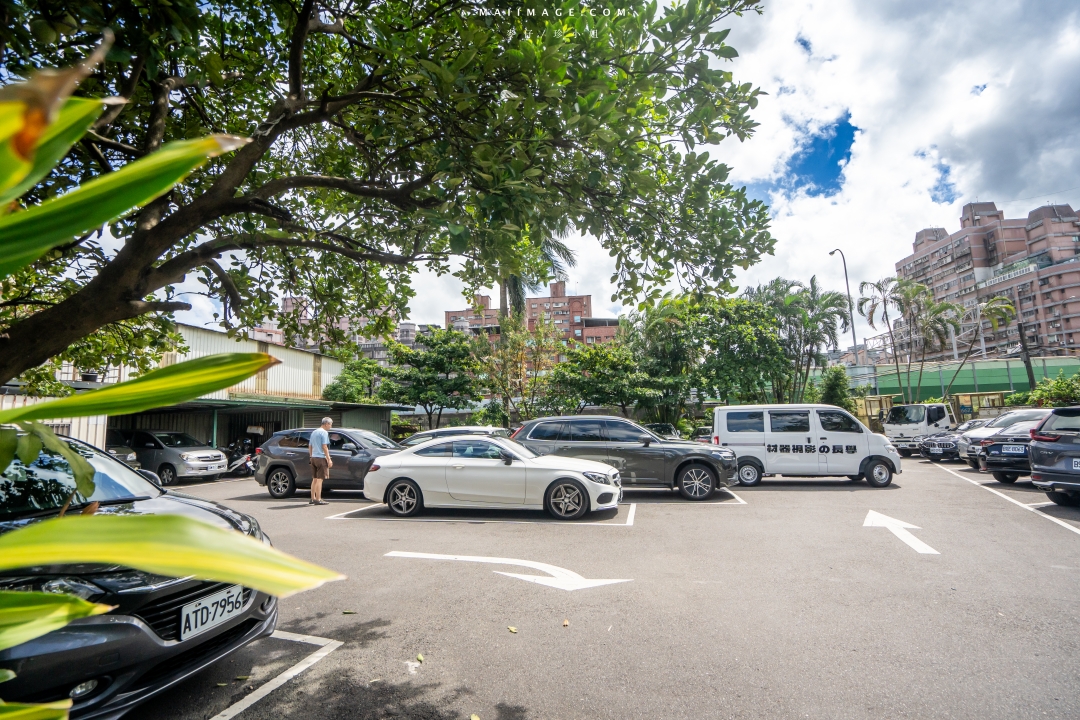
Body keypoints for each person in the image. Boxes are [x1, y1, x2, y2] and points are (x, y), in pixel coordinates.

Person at [308, 417, 333, 505]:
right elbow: (324, 446)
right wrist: (329, 459)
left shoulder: (314, 432)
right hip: (321, 458)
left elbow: (310, 446)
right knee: (320, 479)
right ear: (326, 424)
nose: (330, 426)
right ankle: (318, 499)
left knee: (314, 479)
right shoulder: (324, 432)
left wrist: (311, 456)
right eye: (330, 424)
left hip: (313, 457)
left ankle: (312, 498)